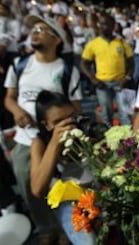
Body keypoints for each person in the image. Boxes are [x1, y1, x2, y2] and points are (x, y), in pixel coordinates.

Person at [4, 14, 82, 244]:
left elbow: (75, 107)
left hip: (56, 143)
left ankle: (66, 228)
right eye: (34, 29)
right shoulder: (20, 64)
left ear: (57, 40)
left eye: (42, 29)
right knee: (30, 189)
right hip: (25, 140)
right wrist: (17, 111)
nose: (35, 32)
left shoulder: (67, 70)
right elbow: (9, 97)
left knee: (61, 188)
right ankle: (45, 228)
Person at [30, 90, 95, 245]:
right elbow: (37, 189)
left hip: (97, 193)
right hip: (70, 202)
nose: (68, 125)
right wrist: (55, 143)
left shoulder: (85, 126)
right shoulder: (40, 143)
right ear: (45, 125)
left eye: (70, 117)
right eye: (59, 121)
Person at [81, 13, 134, 127]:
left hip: (121, 83)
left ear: (113, 25)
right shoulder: (93, 44)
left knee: (126, 115)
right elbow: (84, 63)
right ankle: (110, 142)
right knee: (106, 116)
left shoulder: (121, 42)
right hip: (102, 84)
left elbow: (131, 62)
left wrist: (127, 78)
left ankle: (130, 142)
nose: (102, 26)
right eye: (100, 23)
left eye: (106, 24)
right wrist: (93, 79)